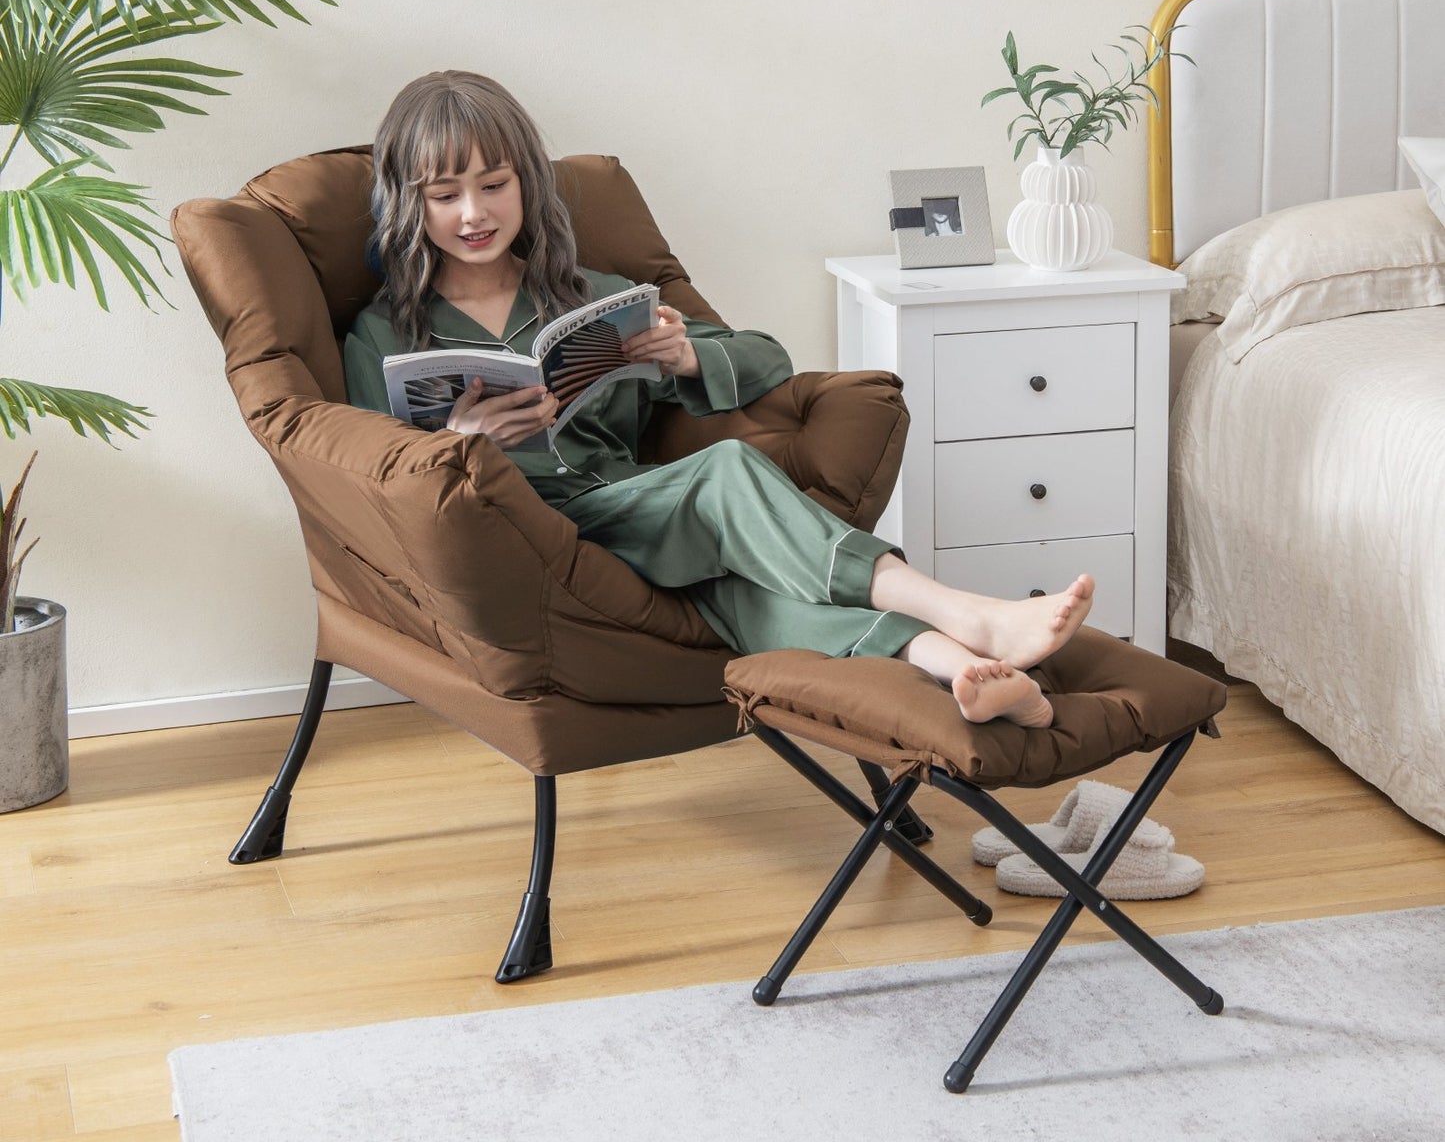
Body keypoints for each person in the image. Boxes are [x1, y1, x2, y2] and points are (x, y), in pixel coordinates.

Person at [344, 71, 1095, 729]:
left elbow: (766, 358)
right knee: (728, 484)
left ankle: (969, 671)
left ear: (526, 185)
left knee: (735, 584)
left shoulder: (589, 296)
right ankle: (967, 616)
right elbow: (370, 471)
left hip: (629, 508)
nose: (473, 213)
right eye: (444, 195)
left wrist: (686, 352)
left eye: (493, 185)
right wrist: (459, 438)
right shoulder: (383, 333)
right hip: (518, 529)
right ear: (409, 203)